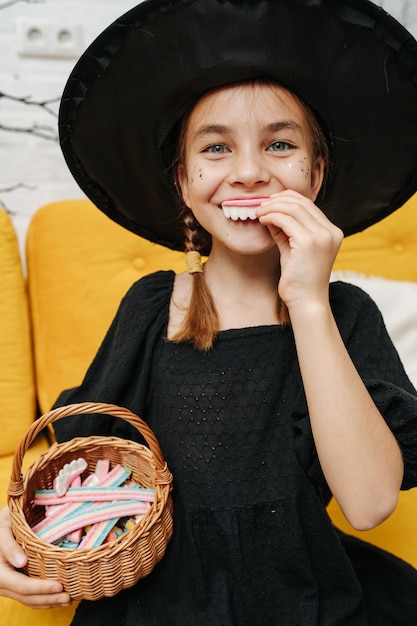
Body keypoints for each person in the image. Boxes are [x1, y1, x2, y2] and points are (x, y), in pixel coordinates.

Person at [2, 0, 417, 623]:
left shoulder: (344, 313)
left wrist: (307, 300)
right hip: (158, 604)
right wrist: (17, 531)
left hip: (299, 599)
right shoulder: (152, 307)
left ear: (317, 171)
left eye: (280, 144)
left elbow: (367, 504)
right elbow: (80, 467)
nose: (249, 173)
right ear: (182, 180)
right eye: (216, 148)